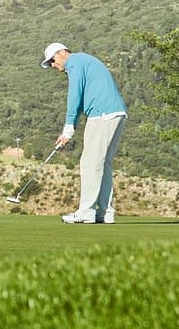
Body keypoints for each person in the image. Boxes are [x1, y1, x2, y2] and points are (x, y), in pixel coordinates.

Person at [40, 42, 127, 224]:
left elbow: (74, 95)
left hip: (102, 114)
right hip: (116, 113)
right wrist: (69, 129)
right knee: (103, 165)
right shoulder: (83, 61)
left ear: (62, 52)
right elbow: (80, 101)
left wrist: (68, 127)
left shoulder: (75, 62)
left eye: (52, 60)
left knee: (90, 164)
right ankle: (105, 213)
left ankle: (86, 212)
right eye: (49, 64)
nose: (53, 66)